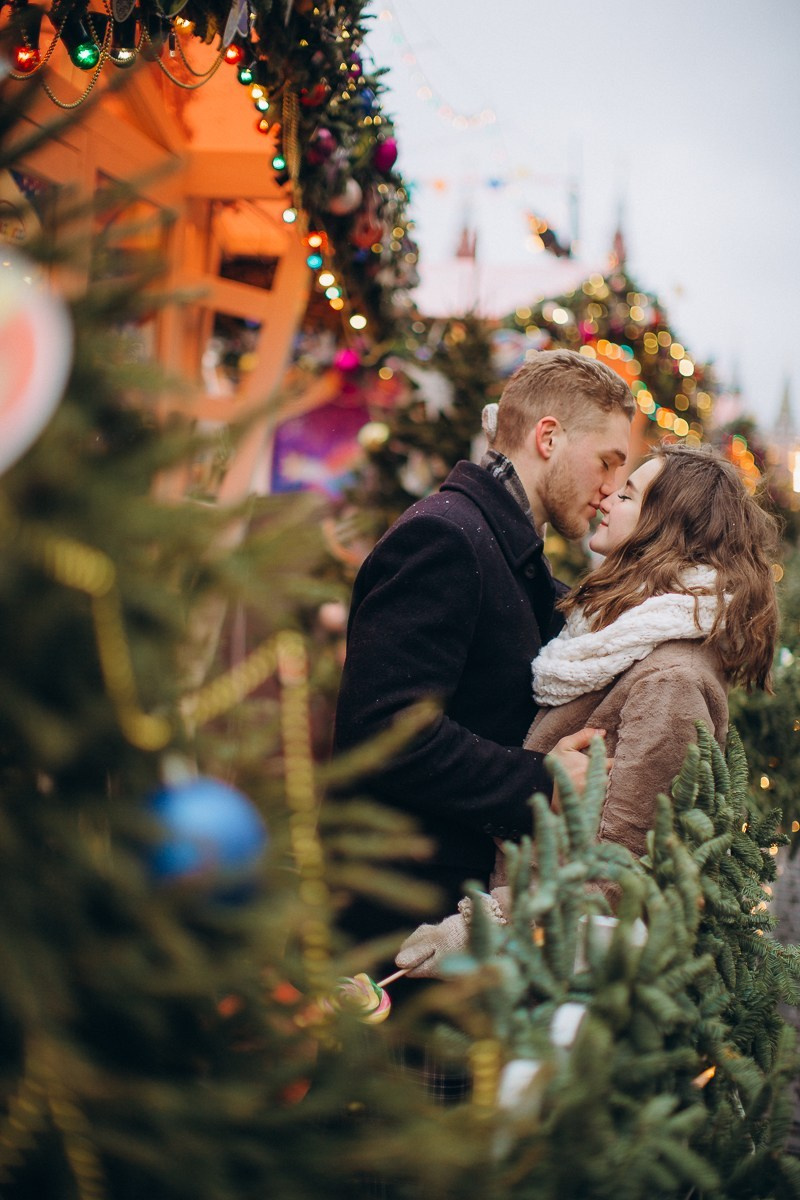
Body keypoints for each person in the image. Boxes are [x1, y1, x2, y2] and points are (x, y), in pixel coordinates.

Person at [395, 442, 780, 977]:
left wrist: (482, 928)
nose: (606, 499)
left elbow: (622, 868)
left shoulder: (671, 677)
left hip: (564, 989)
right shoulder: (613, 635)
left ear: (665, 525)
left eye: (627, 494)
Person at [332, 350, 635, 955]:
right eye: (607, 461)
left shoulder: (510, 554)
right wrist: (540, 782)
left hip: (441, 920)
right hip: (395, 925)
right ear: (548, 437)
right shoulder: (445, 537)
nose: (610, 489)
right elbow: (384, 732)